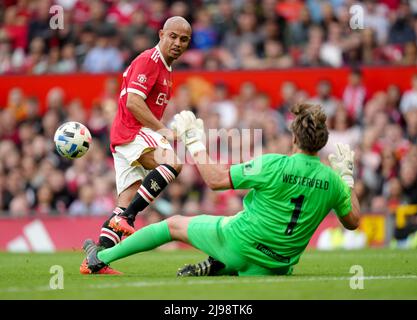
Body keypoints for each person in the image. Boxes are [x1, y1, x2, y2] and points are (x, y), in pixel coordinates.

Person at [80, 104, 360, 276]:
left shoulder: (274, 164)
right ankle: (219, 266)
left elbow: (215, 181)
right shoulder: (332, 180)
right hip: (278, 265)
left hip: (240, 243)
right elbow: (352, 222)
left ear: (294, 137)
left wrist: (193, 141)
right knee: (238, 233)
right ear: (322, 142)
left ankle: (100, 257)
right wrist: (347, 177)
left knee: (173, 225)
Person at [80, 16, 192, 274]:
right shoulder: (149, 61)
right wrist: (162, 130)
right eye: (172, 36)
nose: (177, 43)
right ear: (161, 33)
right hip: (132, 131)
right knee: (173, 162)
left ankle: (96, 260)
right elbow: (133, 102)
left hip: (126, 136)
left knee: (126, 199)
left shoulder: (166, 67)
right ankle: (126, 218)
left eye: (183, 39)